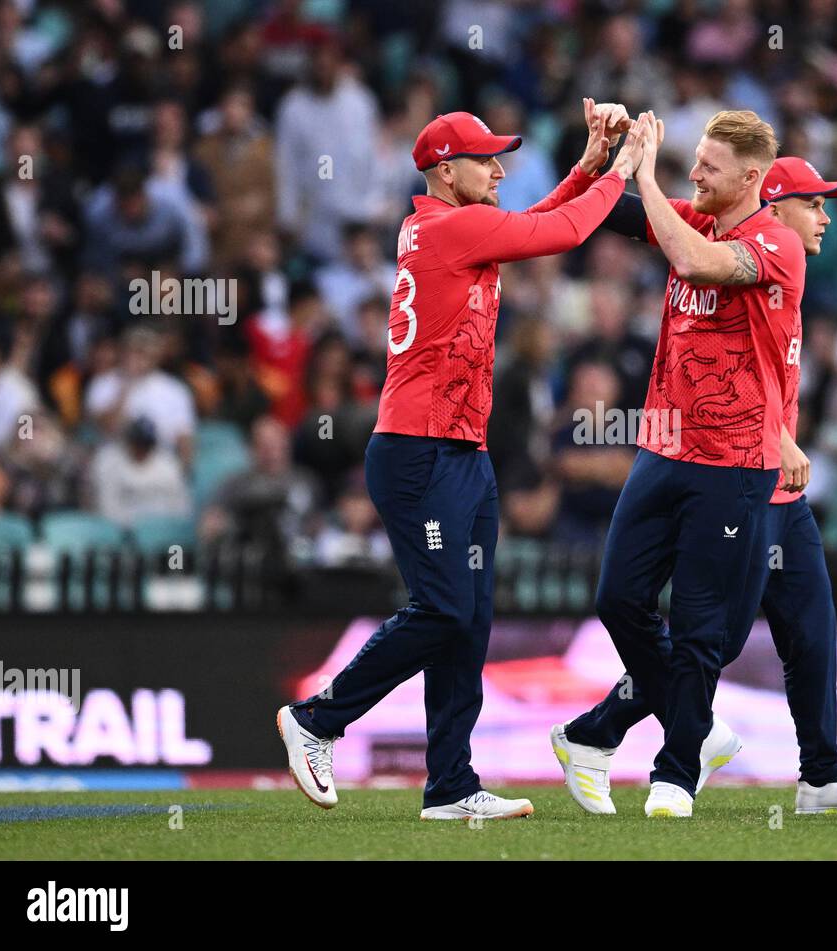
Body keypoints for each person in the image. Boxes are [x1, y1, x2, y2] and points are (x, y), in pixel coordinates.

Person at [276, 100, 646, 821]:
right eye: (485, 159)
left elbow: (538, 221)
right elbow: (562, 231)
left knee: (469, 617)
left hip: (460, 450)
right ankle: (317, 718)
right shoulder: (453, 227)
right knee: (443, 607)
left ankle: (450, 783)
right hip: (420, 451)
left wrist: (587, 165)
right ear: (446, 170)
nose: (499, 168)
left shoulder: (446, 225)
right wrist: (621, 172)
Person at [552, 155, 837, 817]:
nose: (825, 217)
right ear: (773, 203)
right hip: (736, 471)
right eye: (814, 203)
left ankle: (821, 773)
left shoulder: (767, 253)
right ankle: (627, 748)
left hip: (773, 480)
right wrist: (608, 169)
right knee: (713, 643)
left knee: (810, 625)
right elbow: (722, 355)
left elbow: (756, 359)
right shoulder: (750, 244)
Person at [547, 109, 802, 818]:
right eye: (691, 162)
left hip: (733, 461)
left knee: (698, 628)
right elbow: (594, 214)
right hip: (663, 446)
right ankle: (683, 729)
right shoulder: (691, 213)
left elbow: (691, 260)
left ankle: (675, 771)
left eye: (708, 166)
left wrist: (648, 174)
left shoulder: (777, 244)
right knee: (618, 600)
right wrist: (603, 154)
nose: (694, 174)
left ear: (752, 178)